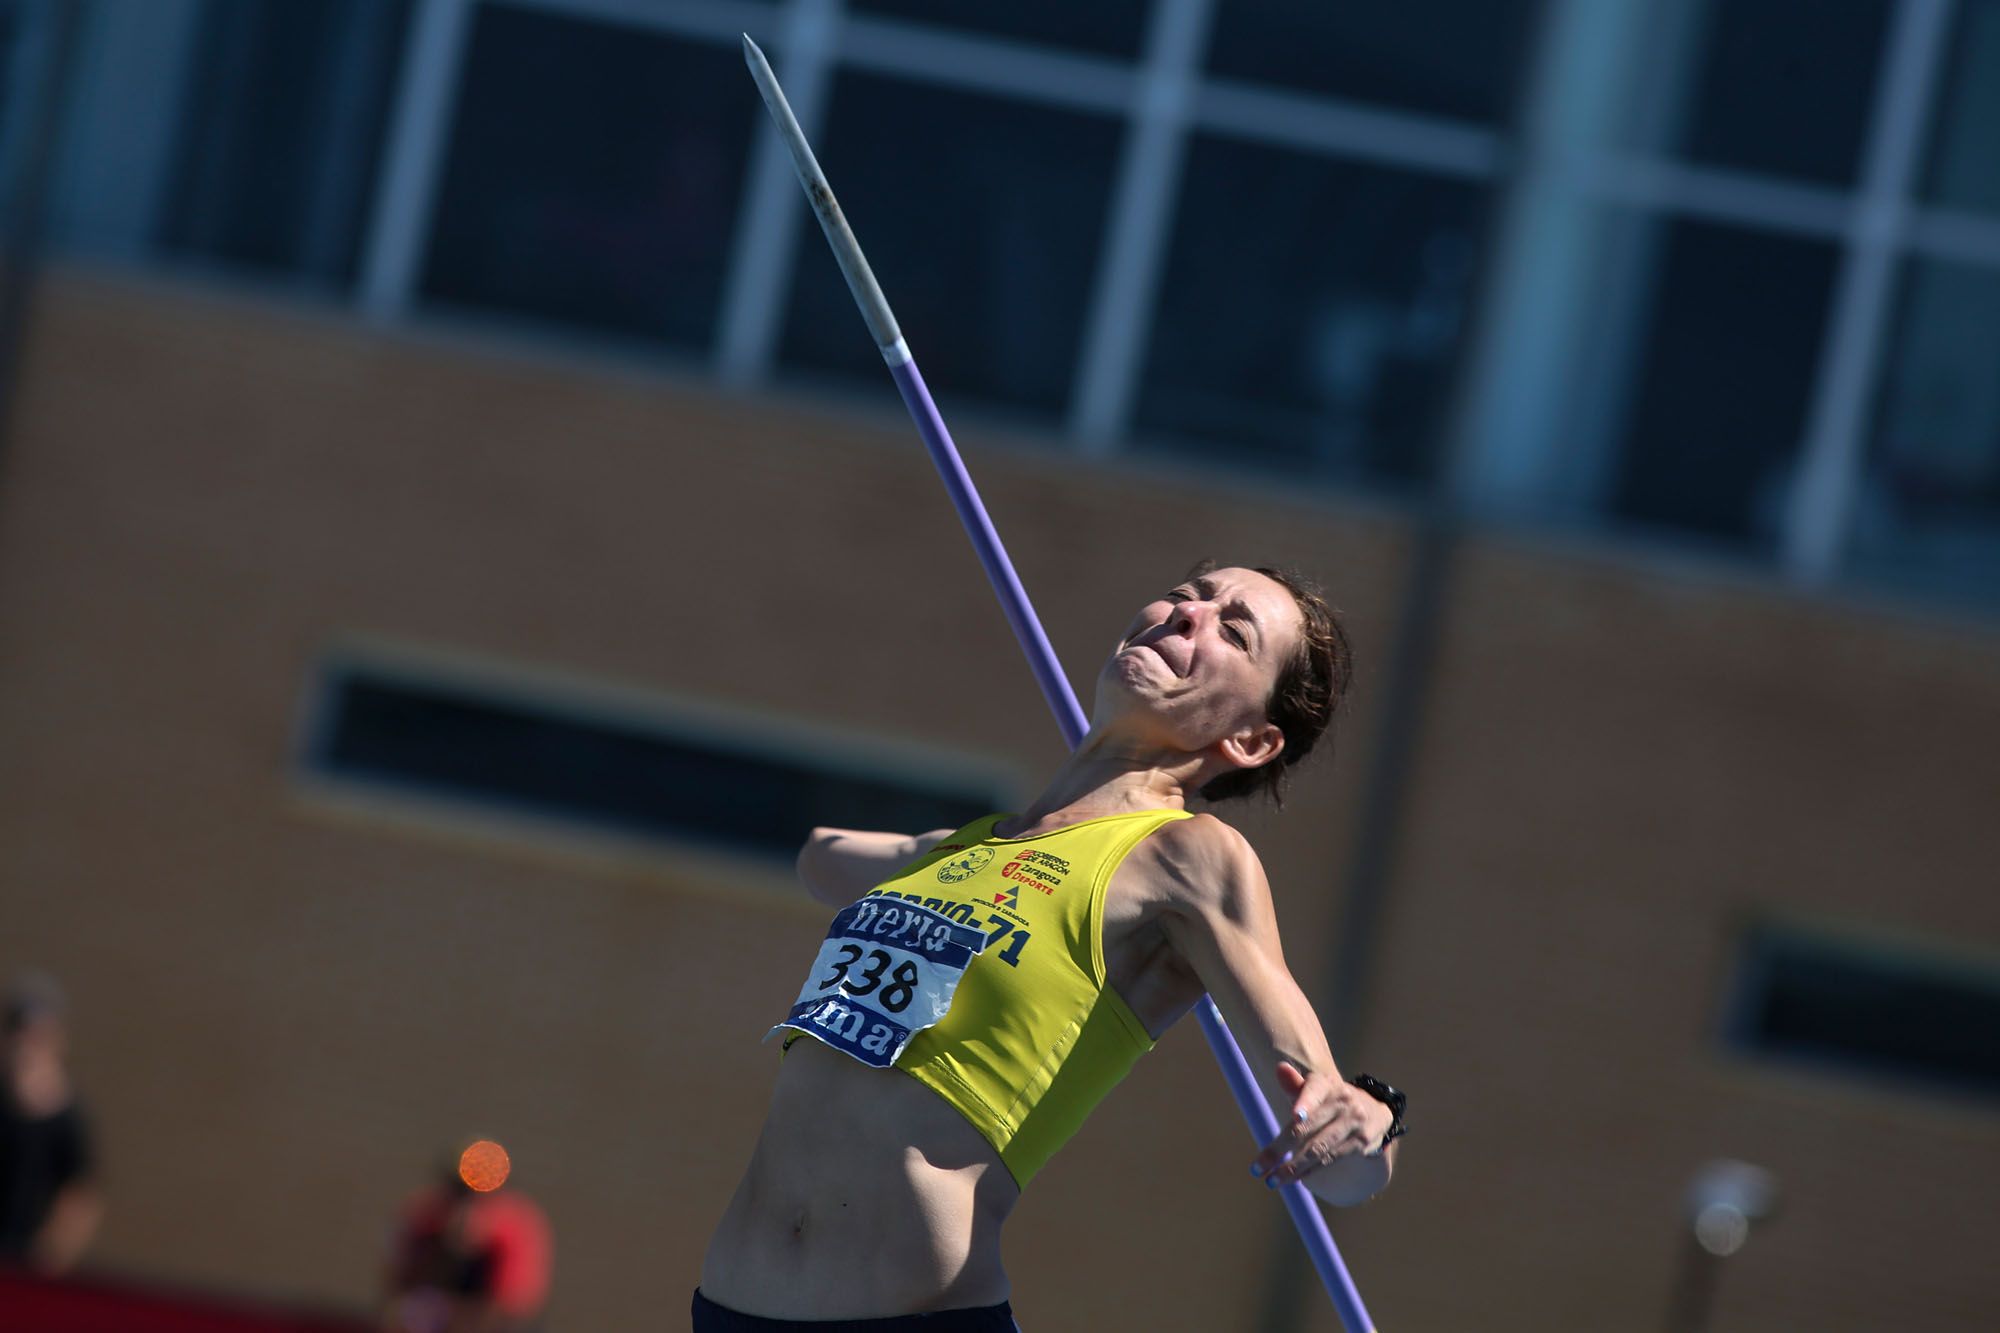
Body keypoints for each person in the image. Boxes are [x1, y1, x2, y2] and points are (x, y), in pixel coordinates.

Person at [698, 564, 1406, 1330]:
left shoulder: (1190, 858)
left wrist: (1365, 1121)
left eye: (1234, 630)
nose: (1187, 614)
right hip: (730, 1311)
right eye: (1189, 592)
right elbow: (819, 860)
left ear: (1252, 738)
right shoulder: (966, 846)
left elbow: (1336, 1135)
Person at [383, 1148, 553, 1333]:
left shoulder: (515, 1231)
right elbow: (398, 1288)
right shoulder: (426, 1221)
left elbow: (512, 1306)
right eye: (460, 1192)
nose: (468, 1207)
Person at [0, 972, 101, 1273]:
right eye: (19, 1032)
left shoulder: (68, 1118)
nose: (27, 1044)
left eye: (38, 1035)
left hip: (28, 1265)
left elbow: (80, 1196)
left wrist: (50, 1258)